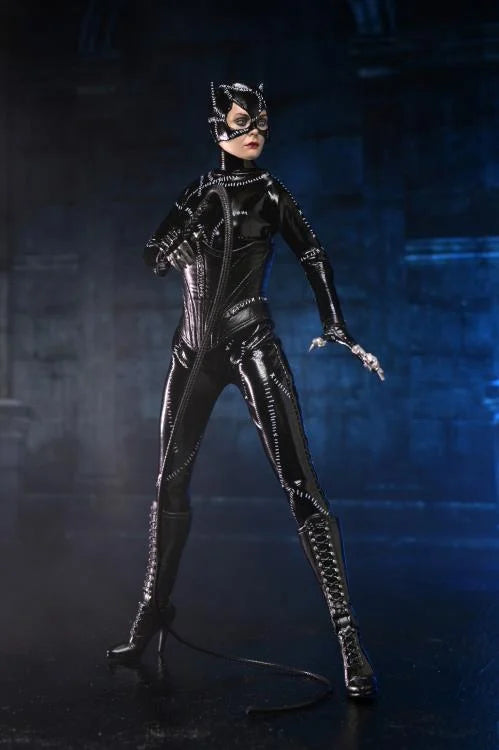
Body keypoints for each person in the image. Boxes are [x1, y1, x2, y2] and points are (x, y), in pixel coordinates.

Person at [107, 81, 384, 700]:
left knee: (299, 481)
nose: (254, 130)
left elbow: (312, 252)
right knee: (168, 480)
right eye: (241, 120)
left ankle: (348, 640)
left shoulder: (271, 193)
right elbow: (152, 251)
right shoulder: (198, 191)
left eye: (261, 120)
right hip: (192, 350)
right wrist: (172, 250)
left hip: (250, 342)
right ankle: (151, 612)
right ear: (218, 128)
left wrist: (334, 322)